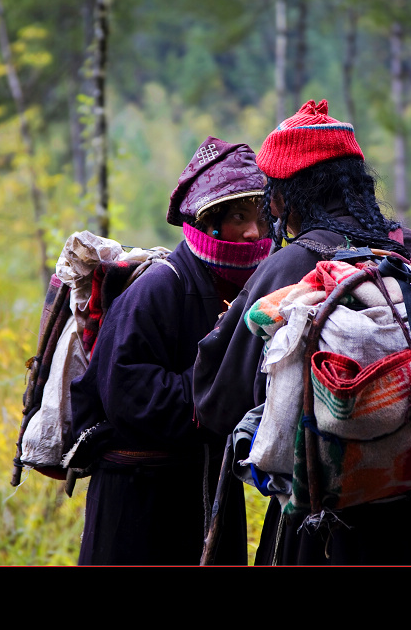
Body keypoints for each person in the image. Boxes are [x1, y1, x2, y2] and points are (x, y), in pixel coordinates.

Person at [193, 100, 411, 565]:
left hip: (332, 532)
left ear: (286, 197)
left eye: (272, 193)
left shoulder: (291, 266)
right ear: (358, 185)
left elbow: (219, 401)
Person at [68, 137, 271, 565]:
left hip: (203, 490)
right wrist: (216, 393)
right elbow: (125, 391)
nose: (254, 232)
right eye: (239, 216)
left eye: (263, 218)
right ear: (208, 220)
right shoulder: (161, 287)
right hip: (137, 502)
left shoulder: (245, 291)